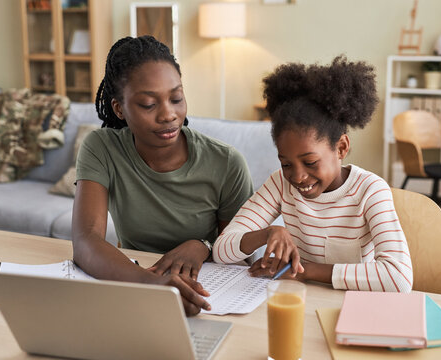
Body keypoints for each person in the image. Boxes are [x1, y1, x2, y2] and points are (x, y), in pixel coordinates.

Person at [72, 35, 253, 315]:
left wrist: (203, 245)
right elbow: (86, 241)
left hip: (206, 293)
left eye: (176, 98)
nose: (168, 114)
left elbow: (242, 249)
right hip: (135, 284)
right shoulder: (102, 148)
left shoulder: (226, 163)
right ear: (119, 109)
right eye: (148, 104)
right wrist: (154, 285)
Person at [212, 56, 413, 292]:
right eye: (286, 164)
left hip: (354, 305)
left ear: (341, 148)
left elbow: (398, 276)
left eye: (310, 162)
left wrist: (304, 270)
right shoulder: (280, 184)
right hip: (302, 297)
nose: (297, 177)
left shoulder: (370, 191)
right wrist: (268, 232)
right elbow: (221, 249)